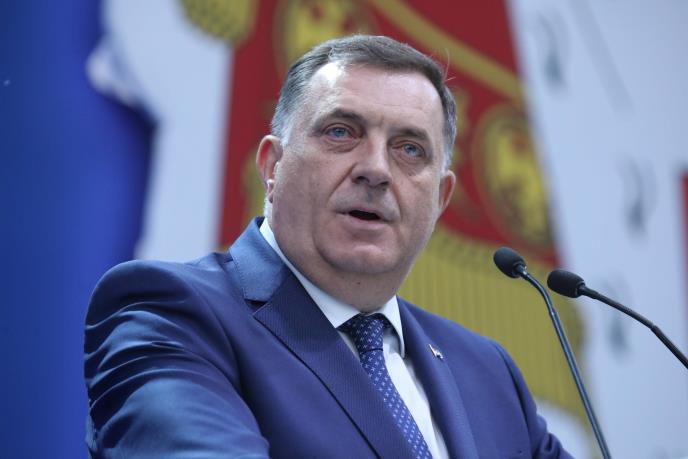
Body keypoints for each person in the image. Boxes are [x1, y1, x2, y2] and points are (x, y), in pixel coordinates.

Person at [84, 35, 571, 458]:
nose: (376, 170)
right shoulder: (171, 313)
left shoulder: (488, 372)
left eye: (409, 149)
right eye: (341, 132)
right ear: (272, 166)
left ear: (441, 198)